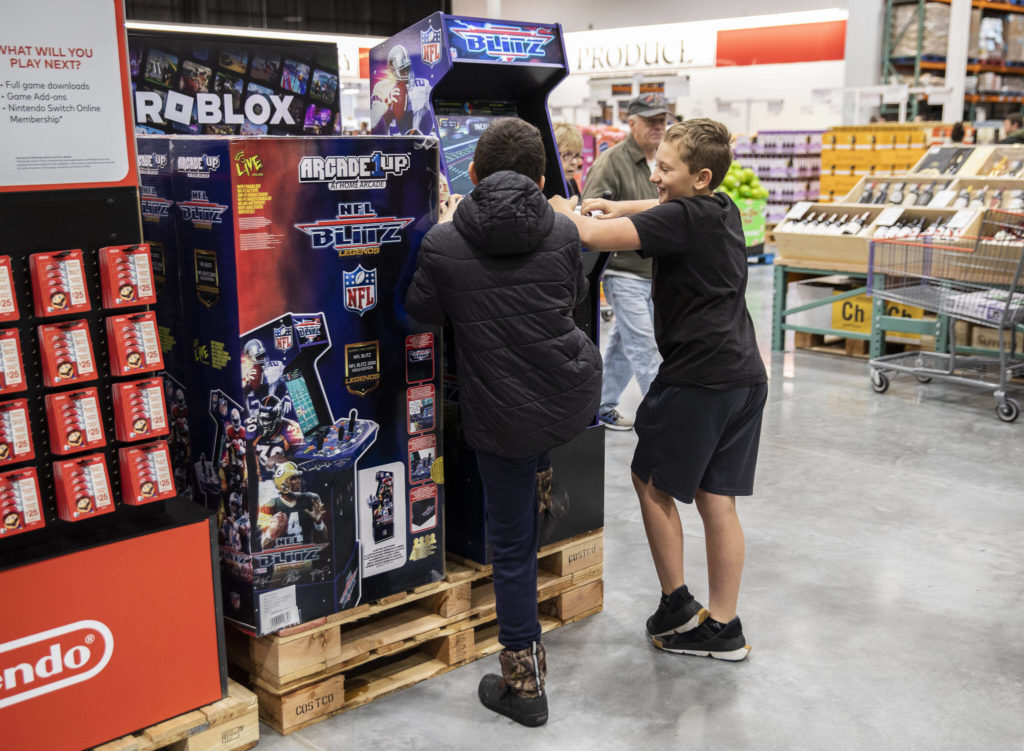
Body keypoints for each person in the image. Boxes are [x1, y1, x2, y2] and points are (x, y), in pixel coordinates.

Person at [549, 117, 768, 661]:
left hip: (699, 378)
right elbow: (655, 211)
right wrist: (619, 205)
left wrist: (562, 210)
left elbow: (594, 238)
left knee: (649, 479)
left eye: (667, 168)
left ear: (702, 176)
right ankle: (724, 625)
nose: (655, 173)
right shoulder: (720, 208)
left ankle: (675, 603)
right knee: (718, 499)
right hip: (744, 374)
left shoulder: (687, 216)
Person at [406, 118, 601, 726]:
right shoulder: (564, 231)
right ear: (544, 180)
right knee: (534, 465)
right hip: (567, 390)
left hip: (503, 409)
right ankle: (544, 500)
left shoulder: (442, 243)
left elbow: (421, 316)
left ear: (471, 173)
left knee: (510, 551)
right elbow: (569, 298)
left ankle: (524, 687)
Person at [582, 93, 669, 430]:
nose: (658, 126)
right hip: (623, 271)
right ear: (631, 123)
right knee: (645, 347)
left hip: (656, 271)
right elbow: (590, 214)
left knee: (623, 344)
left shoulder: (664, 161)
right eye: (650, 120)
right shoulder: (611, 162)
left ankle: (602, 405)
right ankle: (665, 422)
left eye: (662, 119)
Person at [554, 123, 583, 197]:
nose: (574, 162)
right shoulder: (542, 188)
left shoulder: (571, 182)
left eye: (577, 156)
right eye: (567, 155)